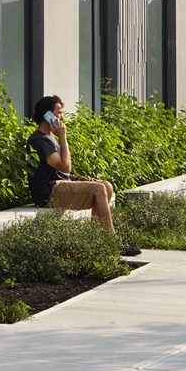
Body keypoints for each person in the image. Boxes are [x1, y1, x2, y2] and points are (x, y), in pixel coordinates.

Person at [27, 94, 140, 257]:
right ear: (47, 115)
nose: (62, 117)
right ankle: (112, 241)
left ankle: (95, 240)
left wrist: (77, 179)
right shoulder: (39, 140)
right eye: (58, 112)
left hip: (57, 186)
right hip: (48, 192)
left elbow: (61, 171)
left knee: (106, 186)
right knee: (99, 189)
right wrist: (63, 137)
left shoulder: (50, 138)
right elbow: (64, 166)